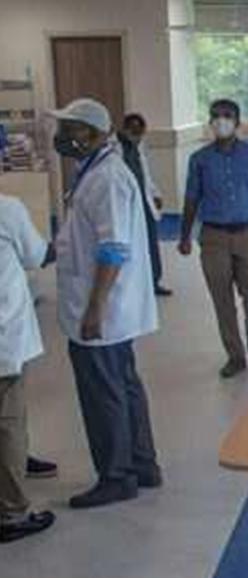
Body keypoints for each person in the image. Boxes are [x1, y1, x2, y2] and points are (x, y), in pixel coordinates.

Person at [49, 98, 162, 509]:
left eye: (71, 129)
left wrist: (95, 307)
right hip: (109, 307)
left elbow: (113, 248)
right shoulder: (95, 171)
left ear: (95, 133)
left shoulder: (108, 178)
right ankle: (142, 464)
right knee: (124, 385)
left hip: (102, 309)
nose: (63, 137)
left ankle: (117, 476)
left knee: (104, 393)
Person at [177, 99, 248, 379]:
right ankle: (235, 355)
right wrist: (184, 236)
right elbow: (191, 198)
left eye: (227, 116)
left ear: (237, 122)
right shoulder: (199, 159)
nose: (221, 121)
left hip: (247, 233)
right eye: (216, 116)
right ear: (210, 122)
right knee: (222, 300)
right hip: (213, 236)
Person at [0, 193, 57, 541]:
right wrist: (66, 242)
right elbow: (36, 255)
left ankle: (17, 463)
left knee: (11, 418)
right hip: (4, 334)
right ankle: (12, 513)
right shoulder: (7, 209)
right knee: (9, 420)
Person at [118, 112, 172, 297]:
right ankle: (134, 285)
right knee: (131, 246)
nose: (137, 136)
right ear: (125, 129)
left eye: (140, 133)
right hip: (126, 206)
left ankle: (154, 281)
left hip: (144, 204)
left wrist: (155, 194)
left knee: (150, 244)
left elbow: (145, 175)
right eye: (133, 131)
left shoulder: (138, 148)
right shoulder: (115, 150)